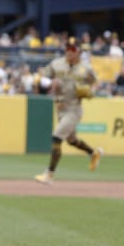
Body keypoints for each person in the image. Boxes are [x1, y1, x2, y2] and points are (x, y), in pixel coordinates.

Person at [34, 37, 103, 185]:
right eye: (67, 48)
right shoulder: (57, 64)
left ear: (78, 52)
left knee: (57, 137)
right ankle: (93, 153)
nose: (69, 52)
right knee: (71, 140)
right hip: (60, 107)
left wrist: (90, 91)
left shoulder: (86, 68)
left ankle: (49, 174)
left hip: (74, 109)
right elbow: (43, 78)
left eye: (72, 49)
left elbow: (95, 83)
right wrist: (49, 82)